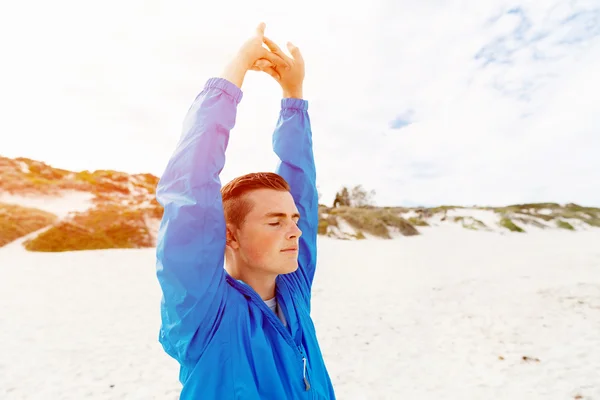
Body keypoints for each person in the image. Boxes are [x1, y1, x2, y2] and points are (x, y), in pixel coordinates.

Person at [155, 23, 336, 399]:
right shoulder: (203, 312)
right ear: (230, 235)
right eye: (274, 222)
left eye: (293, 221)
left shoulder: (293, 288)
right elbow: (190, 185)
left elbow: (301, 188)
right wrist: (237, 68)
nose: (295, 232)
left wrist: (293, 95)